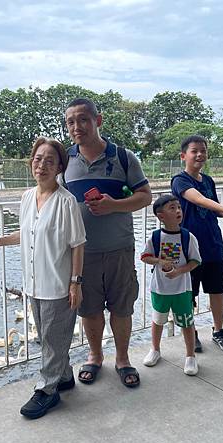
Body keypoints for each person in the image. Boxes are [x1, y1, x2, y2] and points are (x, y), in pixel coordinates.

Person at [0, 137, 86, 419]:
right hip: (33, 283)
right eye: (38, 159)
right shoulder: (27, 197)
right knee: (50, 336)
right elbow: (27, 233)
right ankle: (63, 377)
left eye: (49, 161)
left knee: (51, 338)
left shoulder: (66, 202)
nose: (42, 165)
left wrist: (76, 282)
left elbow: (78, 243)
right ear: (31, 163)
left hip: (58, 284)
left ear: (59, 167)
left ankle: (46, 390)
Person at [63, 98, 152, 388]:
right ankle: (95, 355)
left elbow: (145, 196)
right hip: (82, 252)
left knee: (121, 306)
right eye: (71, 122)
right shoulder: (65, 161)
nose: (77, 127)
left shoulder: (124, 157)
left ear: (97, 121)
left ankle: (123, 359)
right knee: (88, 309)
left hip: (119, 248)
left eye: (83, 119)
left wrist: (115, 205)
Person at [171, 135, 223, 353]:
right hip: (189, 247)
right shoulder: (180, 180)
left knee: (217, 289)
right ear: (184, 156)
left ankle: (218, 331)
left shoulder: (209, 180)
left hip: (213, 244)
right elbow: (198, 200)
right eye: (195, 151)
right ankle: (190, 332)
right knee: (188, 293)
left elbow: (212, 208)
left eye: (203, 150)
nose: (200, 154)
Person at [141, 195, 202, 375]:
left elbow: (195, 261)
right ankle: (155, 349)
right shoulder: (155, 237)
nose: (178, 211)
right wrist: (159, 261)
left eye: (179, 208)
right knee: (158, 319)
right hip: (160, 289)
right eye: (172, 208)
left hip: (182, 289)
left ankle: (190, 356)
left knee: (186, 322)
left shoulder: (187, 237)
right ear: (160, 216)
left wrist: (179, 271)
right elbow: (145, 257)